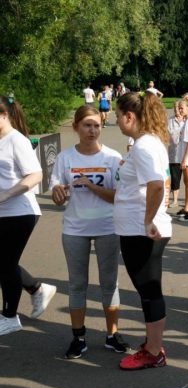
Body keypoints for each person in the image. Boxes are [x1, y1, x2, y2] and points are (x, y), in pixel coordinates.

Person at [50, 105, 128, 358]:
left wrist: (91, 186)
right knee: (77, 284)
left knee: (109, 283)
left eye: (96, 125)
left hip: (107, 227)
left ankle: (112, 335)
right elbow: (57, 197)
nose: (92, 130)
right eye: (87, 125)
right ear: (76, 127)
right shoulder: (65, 158)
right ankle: (78, 337)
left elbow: (118, 197)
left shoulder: (112, 157)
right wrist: (58, 194)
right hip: (75, 229)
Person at [113, 91, 172, 370]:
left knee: (149, 289)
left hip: (141, 230)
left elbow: (157, 184)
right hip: (138, 228)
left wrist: (148, 220)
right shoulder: (146, 143)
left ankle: (153, 351)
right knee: (148, 288)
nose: (116, 120)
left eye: (117, 115)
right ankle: (153, 345)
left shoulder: (145, 145)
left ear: (129, 116)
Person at [0, 96, 43, 336]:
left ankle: (9, 317)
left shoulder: (17, 140)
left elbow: (35, 174)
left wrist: (6, 194)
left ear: (4, 115)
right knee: (5, 262)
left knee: (5, 264)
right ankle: (36, 288)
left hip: (20, 212)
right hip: (3, 213)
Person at [166, 100, 185, 209]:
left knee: (186, 179)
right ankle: (174, 200)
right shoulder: (170, 121)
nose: (176, 110)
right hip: (173, 154)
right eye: (174, 108)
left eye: (177, 108)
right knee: (174, 177)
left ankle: (187, 201)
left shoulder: (187, 121)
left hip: (185, 154)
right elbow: (168, 134)